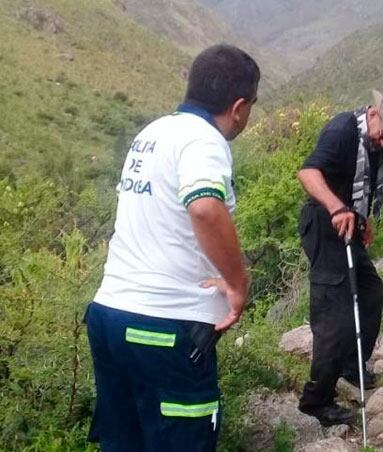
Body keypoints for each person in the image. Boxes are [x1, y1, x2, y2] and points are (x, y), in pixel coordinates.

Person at [85, 44, 259, 452]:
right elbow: (204, 207)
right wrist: (237, 285)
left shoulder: (152, 133)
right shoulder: (205, 141)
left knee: (124, 442)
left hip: (109, 315)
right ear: (238, 107)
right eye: (251, 105)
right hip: (164, 326)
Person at [297, 91, 383, 426]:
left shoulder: (372, 142)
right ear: (374, 113)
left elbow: (361, 187)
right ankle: (316, 402)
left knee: (371, 291)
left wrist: (364, 220)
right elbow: (308, 174)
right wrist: (337, 209)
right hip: (324, 224)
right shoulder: (343, 130)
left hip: (350, 227)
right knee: (335, 316)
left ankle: (352, 365)